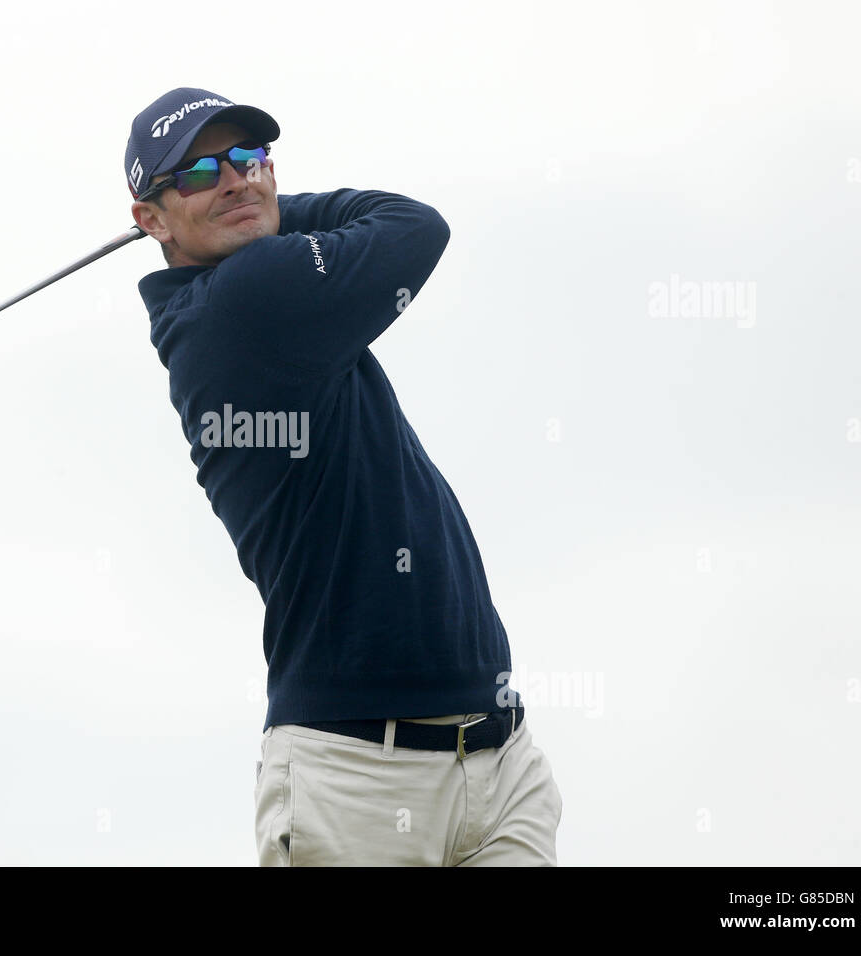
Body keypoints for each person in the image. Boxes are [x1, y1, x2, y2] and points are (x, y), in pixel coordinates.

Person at [125, 87, 563, 866]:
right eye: (197, 174)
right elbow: (414, 224)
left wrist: (237, 204)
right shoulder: (245, 303)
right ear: (151, 219)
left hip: (499, 761)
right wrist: (268, 207)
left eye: (249, 160)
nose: (236, 179)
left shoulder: (250, 283)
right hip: (354, 777)